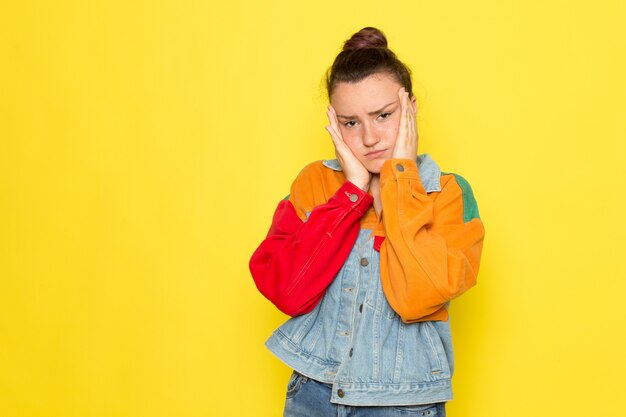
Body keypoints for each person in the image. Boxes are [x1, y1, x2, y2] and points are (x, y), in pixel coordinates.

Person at [249, 27, 485, 417]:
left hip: (403, 404)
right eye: (350, 122)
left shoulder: (447, 193)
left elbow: (416, 297)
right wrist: (352, 194)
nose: (370, 137)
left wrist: (401, 178)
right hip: (313, 395)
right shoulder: (315, 183)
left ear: (411, 108)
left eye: (383, 115)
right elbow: (287, 290)